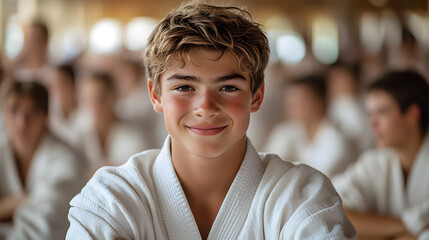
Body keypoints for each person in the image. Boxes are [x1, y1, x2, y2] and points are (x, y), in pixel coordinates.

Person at [66, 3, 356, 239]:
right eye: (184, 87)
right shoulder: (112, 198)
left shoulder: (301, 195)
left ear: (256, 96)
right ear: (155, 95)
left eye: (228, 87)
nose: (205, 107)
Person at [333, 70, 429, 239]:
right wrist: (405, 230)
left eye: (382, 112)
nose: (373, 123)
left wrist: (375, 231)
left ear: (413, 114)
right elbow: (332, 211)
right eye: (370, 114)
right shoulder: (375, 163)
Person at [0, 81, 87, 240]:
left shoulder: (66, 159)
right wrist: (22, 202)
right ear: (3, 113)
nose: (22, 123)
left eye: (31, 112)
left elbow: (42, 228)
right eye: (13, 111)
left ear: (45, 115)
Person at [264, 75, 353, 178]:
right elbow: (267, 167)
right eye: (289, 103)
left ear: (320, 102)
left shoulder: (337, 142)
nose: (291, 108)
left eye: (299, 103)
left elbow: (318, 180)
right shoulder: (287, 131)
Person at [76, 72, 147, 173]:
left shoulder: (133, 138)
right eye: (87, 100)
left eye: (99, 99)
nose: (93, 106)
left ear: (113, 98)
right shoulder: (78, 135)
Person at [48, 64, 88, 147]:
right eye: (54, 85)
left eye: (62, 83)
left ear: (73, 84)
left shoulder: (87, 113)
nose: (58, 89)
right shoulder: (49, 116)